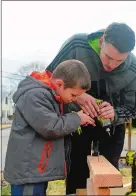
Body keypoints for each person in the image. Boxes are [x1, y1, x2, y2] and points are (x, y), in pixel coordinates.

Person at [46, 22, 136, 194]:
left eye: (119, 61)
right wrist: (78, 96)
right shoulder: (76, 46)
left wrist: (115, 113)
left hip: (111, 130)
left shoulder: (133, 70)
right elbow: (49, 79)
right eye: (108, 57)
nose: (111, 65)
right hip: (77, 124)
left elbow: (133, 108)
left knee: (109, 177)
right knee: (76, 174)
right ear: (101, 42)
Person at [4, 60, 95, 196]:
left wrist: (76, 120)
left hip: (35, 170)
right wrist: (77, 119)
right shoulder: (35, 95)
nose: (75, 99)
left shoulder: (49, 95)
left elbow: (54, 120)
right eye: (74, 95)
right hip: (28, 173)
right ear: (59, 84)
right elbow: (51, 127)